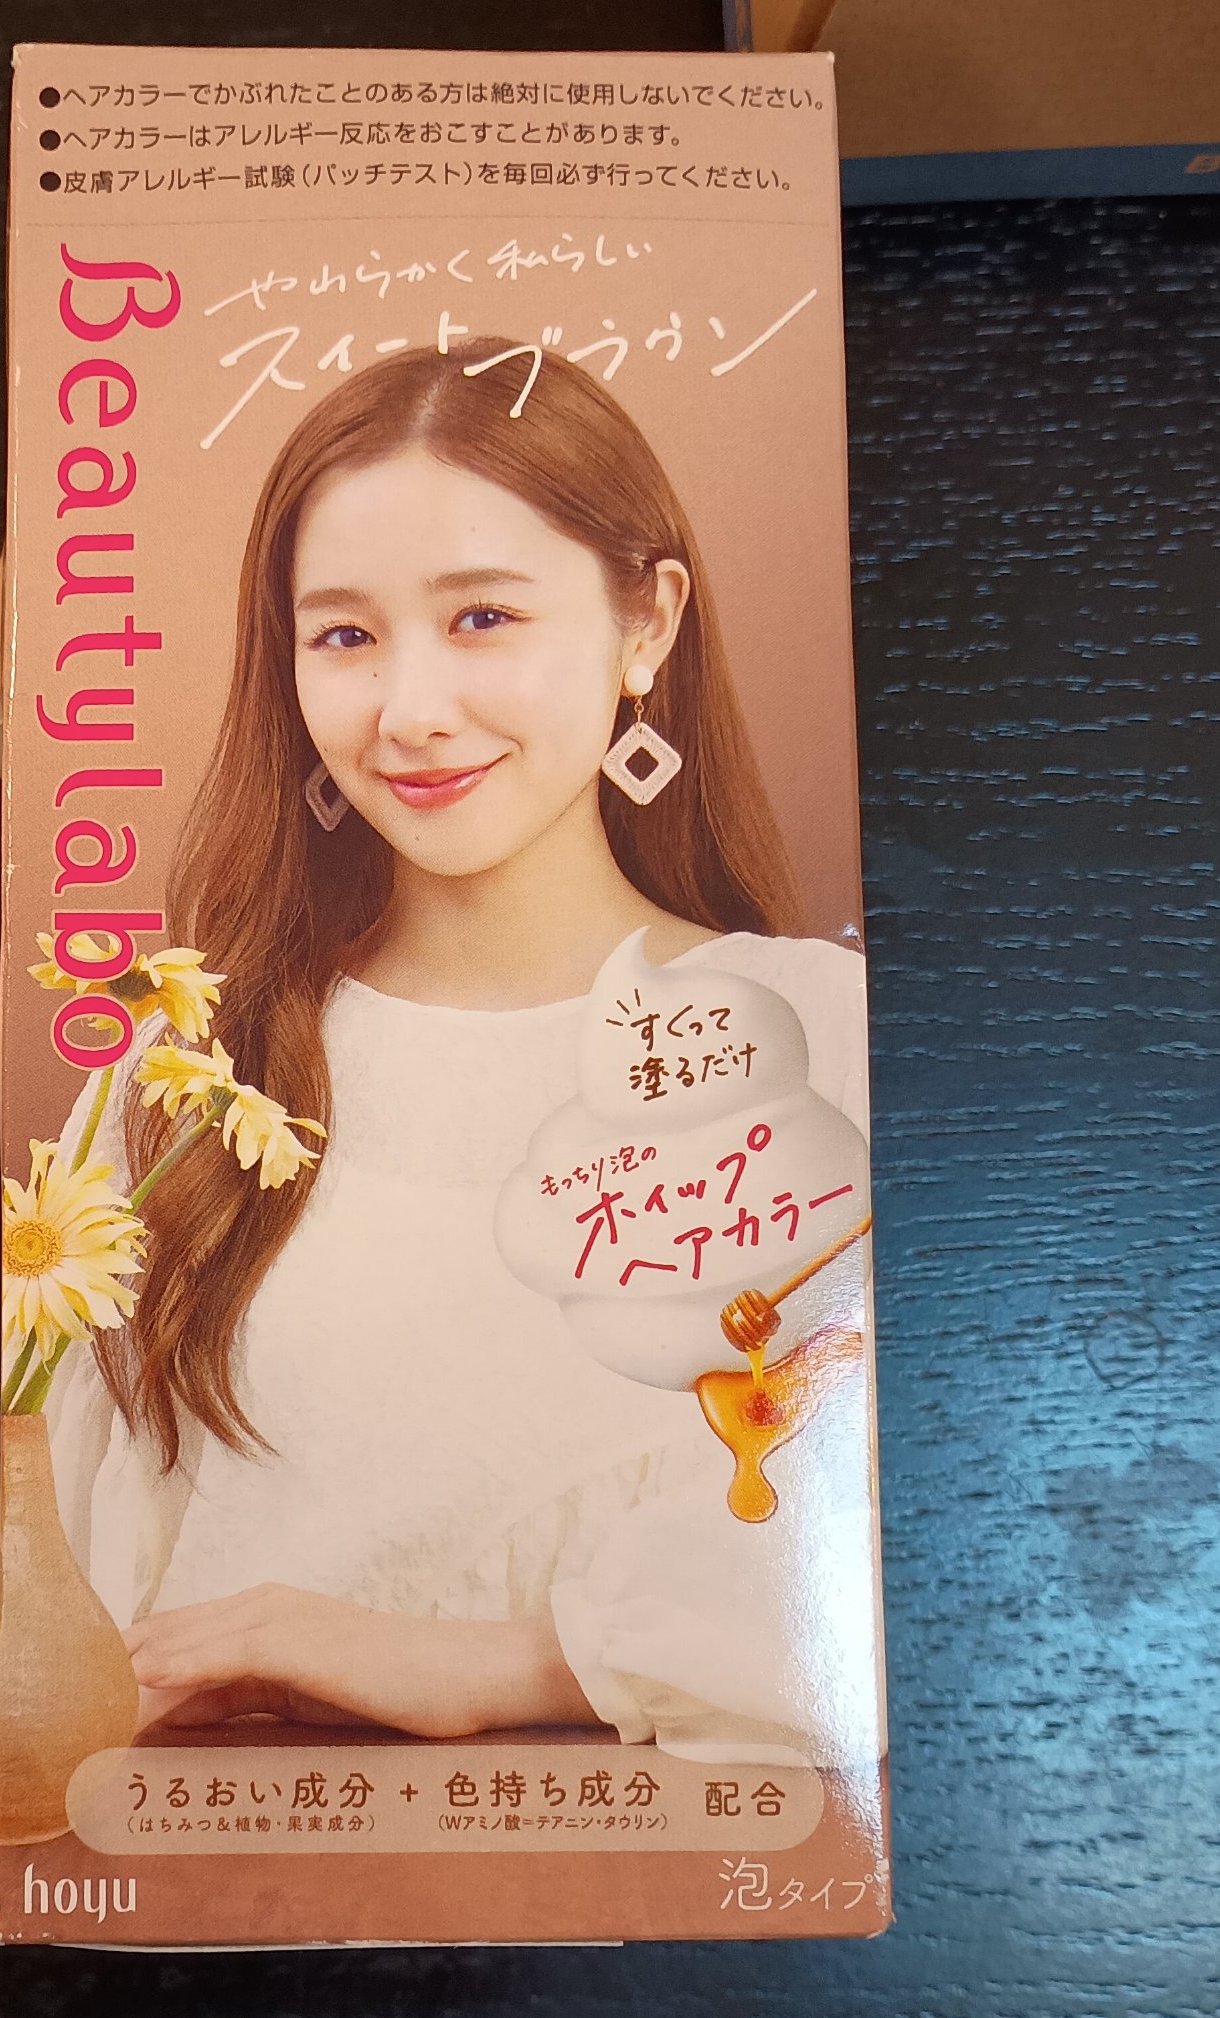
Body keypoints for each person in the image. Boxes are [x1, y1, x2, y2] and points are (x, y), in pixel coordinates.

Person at [43, 339, 882, 1769]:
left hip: (671, 1877)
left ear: (646, 624)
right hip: (237, 1858)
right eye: (344, 637)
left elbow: (888, 1561)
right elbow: (75, 1597)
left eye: (483, 617)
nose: (412, 710)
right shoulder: (189, 1076)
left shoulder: (824, 1039)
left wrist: (492, 1665)